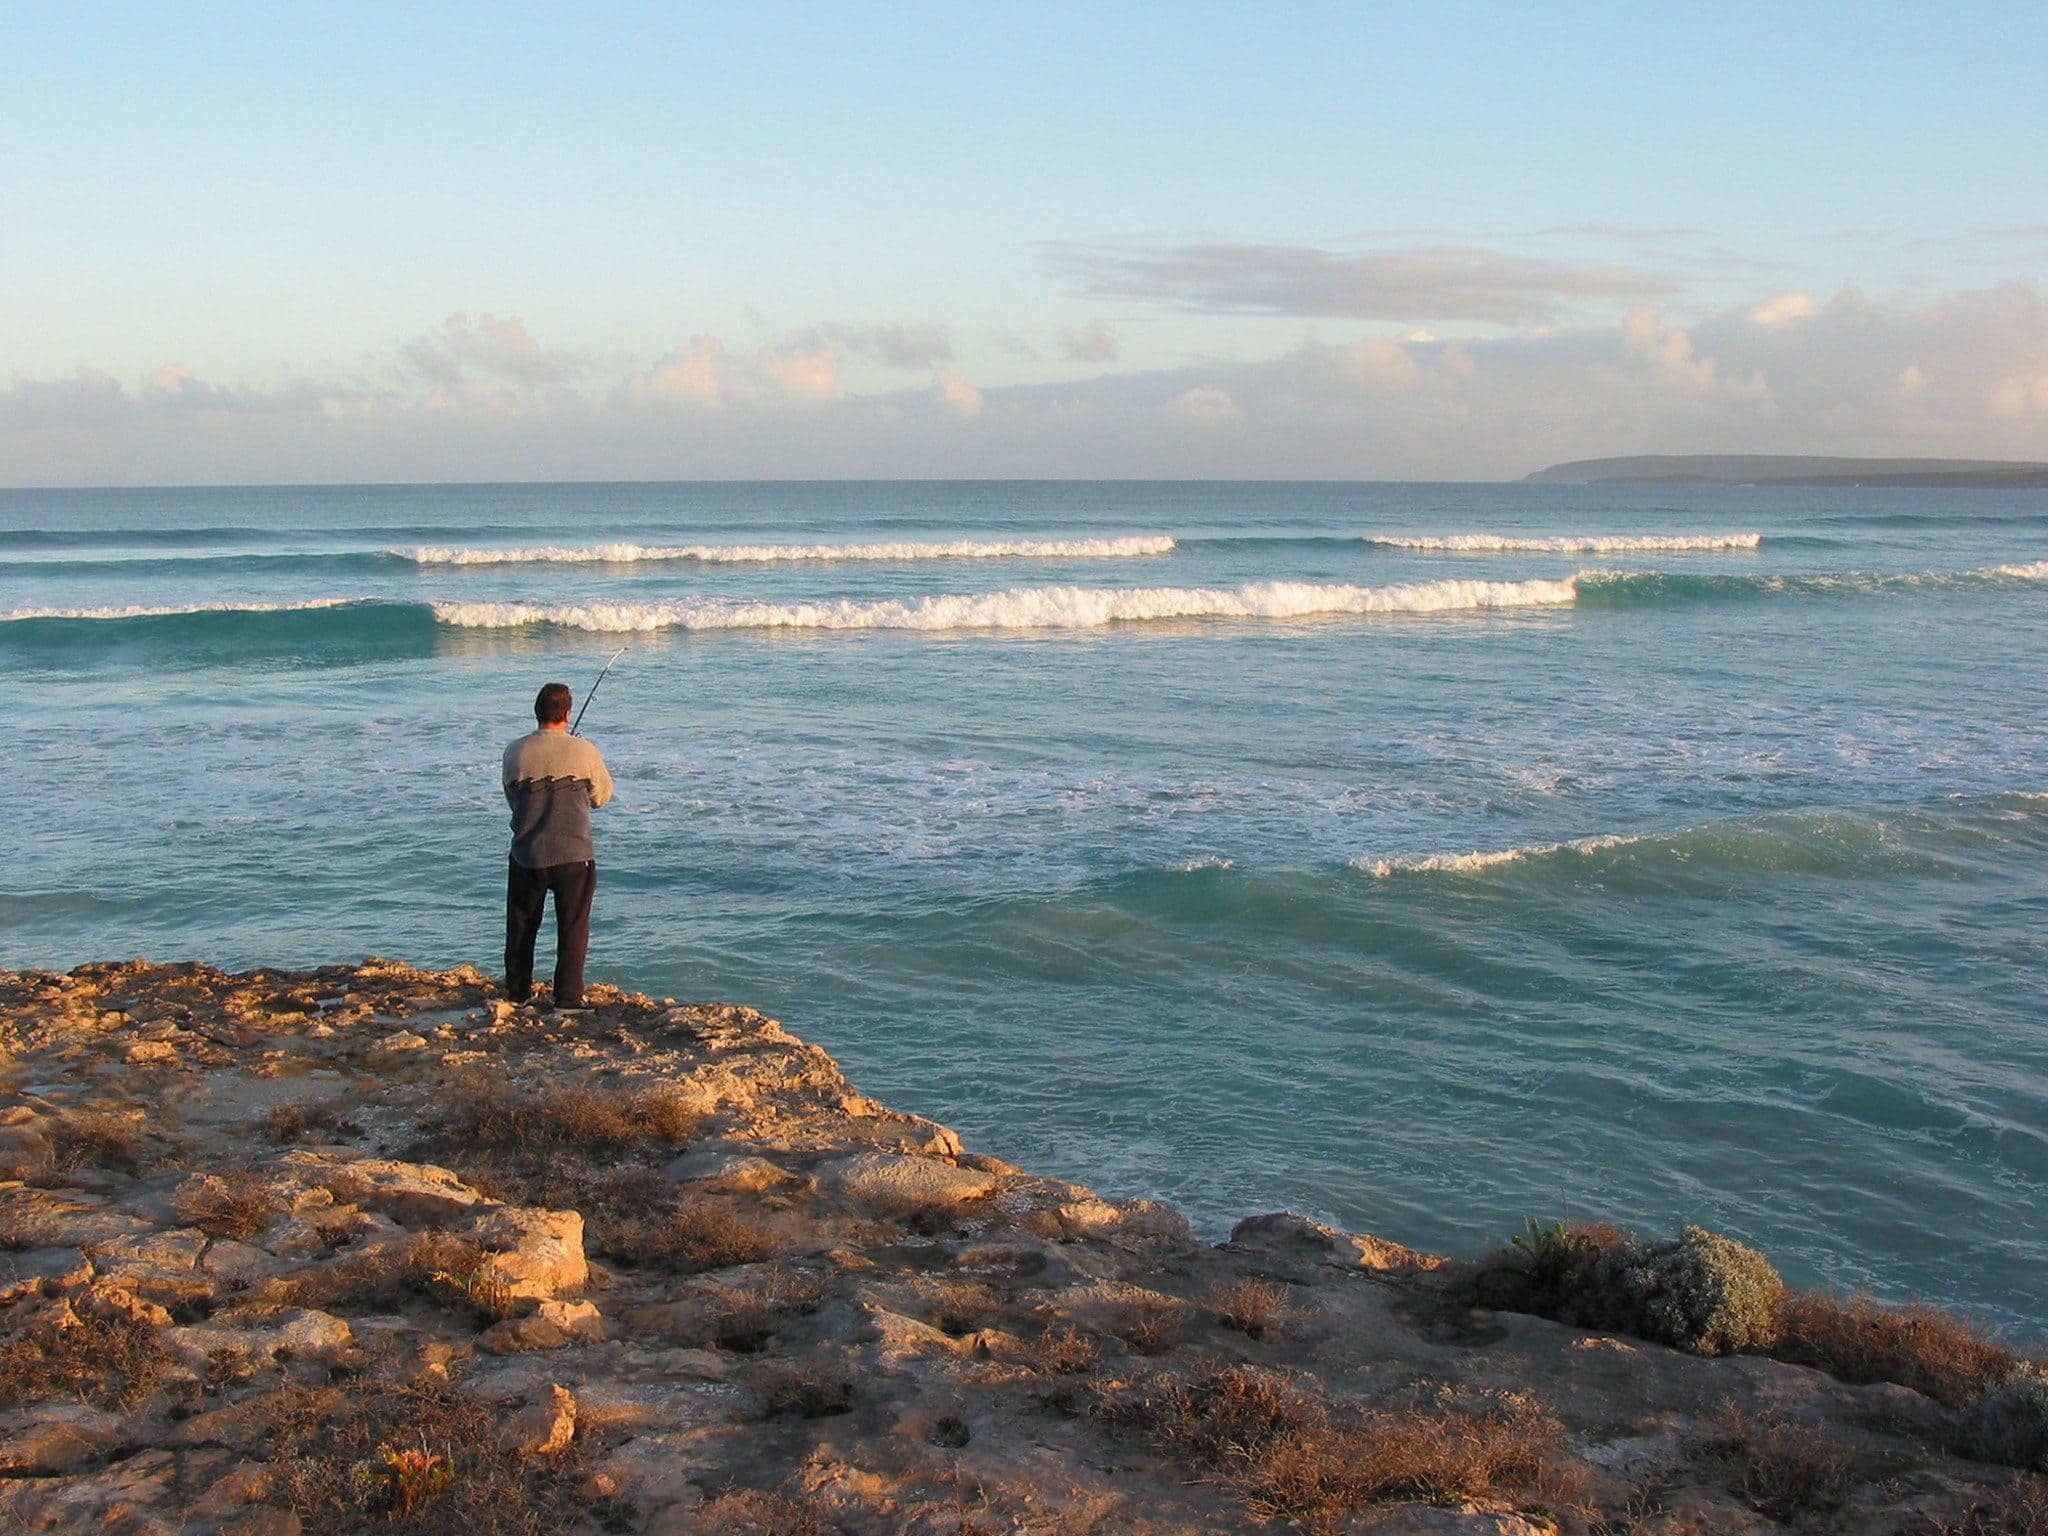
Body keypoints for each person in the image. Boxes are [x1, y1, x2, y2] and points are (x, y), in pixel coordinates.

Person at [502, 681, 614, 1009]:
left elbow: (513, 799)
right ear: (567, 714)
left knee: (521, 926)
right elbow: (601, 797)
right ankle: (567, 999)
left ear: (537, 712)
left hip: (527, 853)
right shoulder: (585, 751)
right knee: (573, 928)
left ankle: (518, 992)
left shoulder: (515, 751)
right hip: (574, 856)